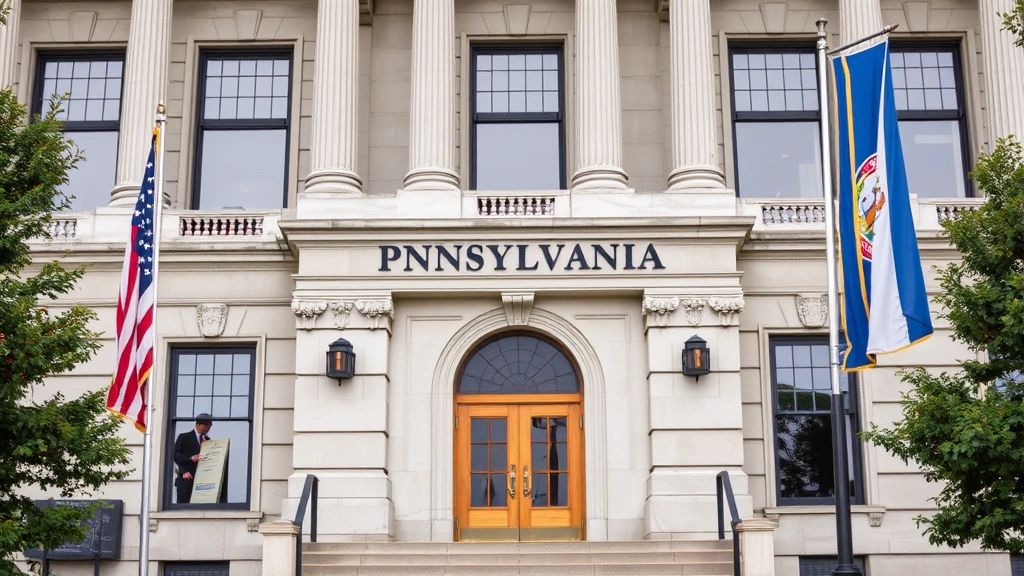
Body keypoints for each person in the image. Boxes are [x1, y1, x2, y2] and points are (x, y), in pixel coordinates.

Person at [173, 413, 213, 504]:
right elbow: (175, 455)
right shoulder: (184, 437)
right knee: (184, 505)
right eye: (207, 425)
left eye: (210, 425)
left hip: (203, 480)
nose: (209, 428)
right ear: (198, 425)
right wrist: (189, 461)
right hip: (187, 478)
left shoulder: (208, 440)